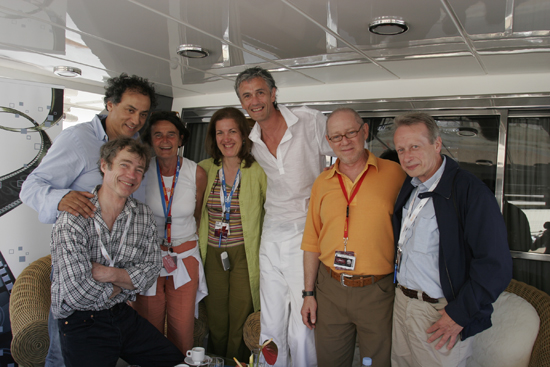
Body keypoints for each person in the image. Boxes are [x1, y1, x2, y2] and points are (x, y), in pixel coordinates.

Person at [19, 73, 156, 367]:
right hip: (80, 277)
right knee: (63, 359)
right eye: (130, 110)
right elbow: (30, 188)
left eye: (143, 114)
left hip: (118, 284)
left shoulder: (136, 151)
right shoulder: (78, 138)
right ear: (110, 105)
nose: (136, 120)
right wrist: (60, 198)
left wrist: (122, 282)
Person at [50, 137, 185, 367]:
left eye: (138, 169)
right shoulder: (73, 216)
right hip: (81, 321)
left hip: (121, 314)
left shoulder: (142, 215)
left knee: (175, 361)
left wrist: (108, 274)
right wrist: (122, 286)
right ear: (105, 165)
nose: (131, 175)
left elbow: (150, 272)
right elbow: (75, 294)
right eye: (124, 165)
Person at [391, 112, 513, 367]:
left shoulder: (470, 192)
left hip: (438, 312)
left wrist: (460, 314)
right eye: (401, 149)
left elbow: (495, 265)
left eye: (415, 146)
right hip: (402, 304)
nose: (407, 156)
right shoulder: (410, 186)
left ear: (437, 144)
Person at [235, 67, 333, 367]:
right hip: (271, 233)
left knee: (302, 323)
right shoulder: (251, 138)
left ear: (274, 94)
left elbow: (346, 154)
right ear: (242, 102)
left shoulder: (310, 120)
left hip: (306, 233)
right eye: (247, 95)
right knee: (272, 322)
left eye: (260, 92)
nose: (255, 100)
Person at [300, 108, 405, 367]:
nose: (344, 141)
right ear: (329, 142)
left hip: (377, 291)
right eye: (336, 137)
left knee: (377, 363)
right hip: (330, 289)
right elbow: (312, 241)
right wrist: (308, 293)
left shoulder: (396, 174)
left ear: (365, 131)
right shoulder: (322, 183)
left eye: (350, 133)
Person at [130, 111, 208, 354]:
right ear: (150, 140)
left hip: (184, 259)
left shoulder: (196, 173)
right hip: (149, 259)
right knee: (149, 325)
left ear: (181, 139)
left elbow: (197, 214)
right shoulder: (141, 173)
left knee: (182, 328)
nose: (165, 140)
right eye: (158, 135)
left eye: (171, 134)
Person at [198, 107, 267, 362]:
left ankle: (236, 362)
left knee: (240, 317)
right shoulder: (204, 169)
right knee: (215, 317)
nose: (226, 138)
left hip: (244, 254)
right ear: (213, 137)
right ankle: (216, 360)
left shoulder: (258, 170)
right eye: (220, 133)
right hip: (212, 252)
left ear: (244, 134)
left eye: (232, 131)